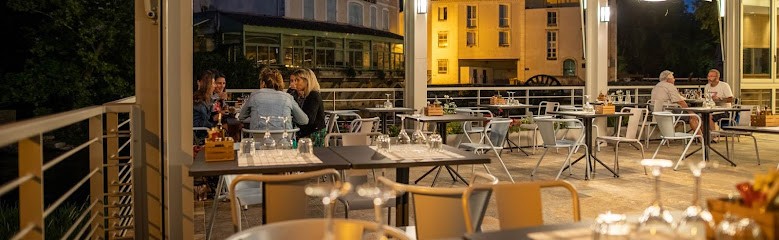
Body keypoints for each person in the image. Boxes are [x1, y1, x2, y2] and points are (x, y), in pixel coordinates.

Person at [239, 69, 308, 130]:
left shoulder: (254, 96)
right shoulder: (288, 98)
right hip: (284, 141)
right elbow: (304, 120)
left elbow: (241, 117)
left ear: (263, 83)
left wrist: (256, 118)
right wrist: (289, 118)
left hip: (259, 140)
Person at [290, 68, 326, 145]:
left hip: (313, 134)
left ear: (307, 81)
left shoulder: (313, 96)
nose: (295, 83)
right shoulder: (301, 95)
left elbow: (309, 120)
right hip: (306, 133)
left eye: (298, 80)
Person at [193, 70, 216, 143]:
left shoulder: (205, 100)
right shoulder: (199, 102)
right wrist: (215, 126)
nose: (215, 86)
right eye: (213, 83)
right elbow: (198, 125)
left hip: (204, 133)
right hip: (201, 138)